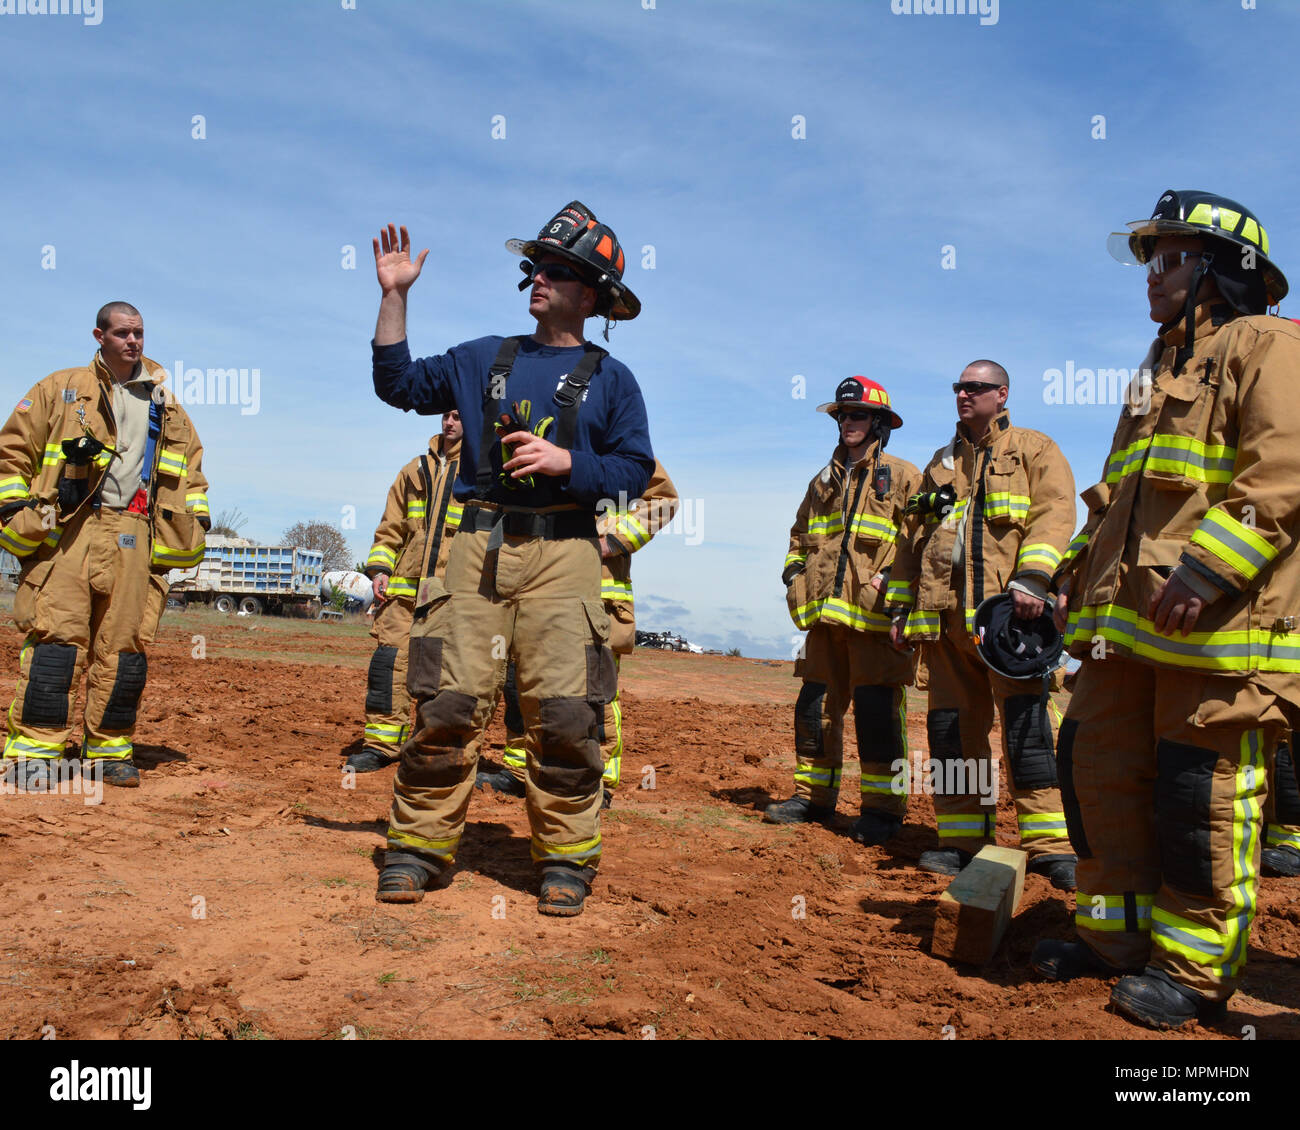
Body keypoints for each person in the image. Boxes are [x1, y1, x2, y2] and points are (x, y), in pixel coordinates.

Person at [1031, 189, 1300, 1029]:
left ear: (1224, 268)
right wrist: (1071, 569)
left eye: (1170, 256)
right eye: (1149, 257)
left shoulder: (1271, 346)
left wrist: (1209, 570)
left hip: (1223, 630)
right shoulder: (1157, 369)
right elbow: (1117, 495)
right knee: (1098, 767)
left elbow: (1282, 474)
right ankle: (1113, 939)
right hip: (1130, 625)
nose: (1152, 274)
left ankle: (1191, 971)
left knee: (1199, 796)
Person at [368, 202, 654, 916]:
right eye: (535, 267)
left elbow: (634, 472)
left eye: (557, 272)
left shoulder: (613, 379)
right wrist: (394, 299)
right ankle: (417, 848)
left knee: (563, 716)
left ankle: (565, 859)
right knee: (446, 702)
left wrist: (567, 461)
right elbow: (396, 385)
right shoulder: (480, 356)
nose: (538, 279)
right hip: (476, 550)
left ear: (590, 296)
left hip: (566, 554)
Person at [0, 302, 209, 788]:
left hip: (135, 533)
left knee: (125, 647)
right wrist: (19, 513)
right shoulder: (61, 389)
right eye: (122, 333)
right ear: (100, 335)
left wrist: (194, 521)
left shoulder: (167, 405)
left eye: (139, 333)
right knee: (57, 640)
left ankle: (109, 751)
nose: (133, 341)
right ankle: (35, 752)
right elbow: (12, 453)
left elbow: (191, 476)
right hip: (70, 527)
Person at [885, 360, 1077, 890]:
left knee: (1028, 734)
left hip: (1009, 625)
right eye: (958, 388)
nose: (964, 395)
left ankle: (1050, 846)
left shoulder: (1035, 450)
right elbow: (911, 539)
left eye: (975, 387)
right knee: (951, 735)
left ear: (1003, 393)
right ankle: (962, 841)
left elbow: (1056, 515)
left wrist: (1034, 579)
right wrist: (901, 607)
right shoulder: (940, 463)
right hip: (944, 627)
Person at [764, 377, 920, 845]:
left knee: (877, 716)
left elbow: (916, 537)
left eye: (856, 415)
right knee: (814, 710)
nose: (847, 422)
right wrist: (794, 577)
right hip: (824, 621)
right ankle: (812, 799)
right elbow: (798, 536)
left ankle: (882, 812)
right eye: (842, 416)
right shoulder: (822, 480)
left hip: (873, 621)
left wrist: (891, 579)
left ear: (877, 424)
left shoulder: (905, 476)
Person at [476, 459, 679, 803]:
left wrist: (611, 541)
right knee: (519, 681)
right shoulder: (536, 436)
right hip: (532, 584)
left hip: (596, 595)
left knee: (593, 691)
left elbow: (663, 500)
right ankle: (519, 770)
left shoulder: (618, 442)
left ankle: (595, 780)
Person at [347, 410, 463, 773]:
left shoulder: (483, 470)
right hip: (403, 590)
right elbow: (389, 528)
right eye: (446, 415)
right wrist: (379, 569)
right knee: (388, 664)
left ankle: (430, 746)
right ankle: (382, 745)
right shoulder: (413, 470)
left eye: (458, 417)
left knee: (440, 671)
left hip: (451, 592)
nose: (449, 423)